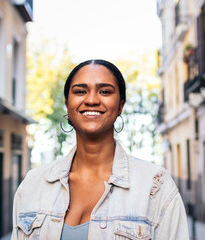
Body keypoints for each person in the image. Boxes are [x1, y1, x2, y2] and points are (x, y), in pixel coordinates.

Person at [11, 59, 189, 240]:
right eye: (80, 91)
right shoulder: (33, 184)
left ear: (121, 106)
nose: (91, 100)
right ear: (67, 104)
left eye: (105, 91)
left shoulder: (155, 186)